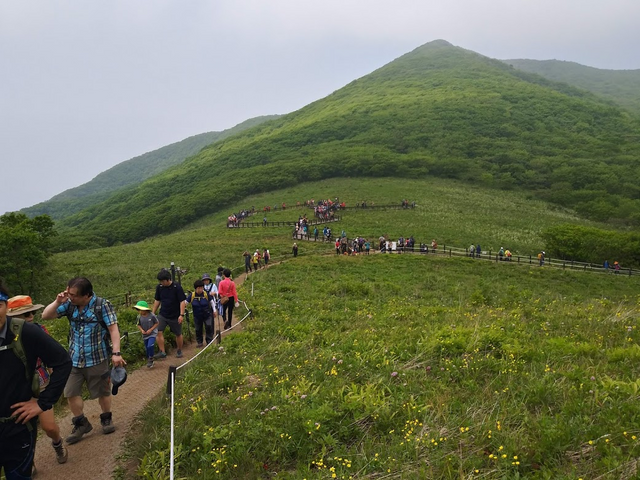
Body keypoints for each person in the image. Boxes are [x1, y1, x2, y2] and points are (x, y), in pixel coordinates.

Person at [41, 277, 124, 444]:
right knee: (71, 392)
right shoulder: (69, 305)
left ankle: (106, 418)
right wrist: (58, 302)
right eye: (68, 293)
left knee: (103, 391)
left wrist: (116, 352)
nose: (70, 297)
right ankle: (81, 423)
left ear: (86, 295)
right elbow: (45, 316)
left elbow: (113, 329)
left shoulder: (102, 305)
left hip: (97, 357)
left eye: (73, 295)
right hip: (73, 359)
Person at [1, 285, 72, 479]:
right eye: (24, 314)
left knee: (48, 427)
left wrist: (44, 400)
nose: (29, 317)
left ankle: (57, 443)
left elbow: (59, 360)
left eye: (31, 313)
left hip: (40, 383)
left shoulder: (33, 331)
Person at [151, 269, 186, 359]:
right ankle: (162, 351)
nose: (161, 283)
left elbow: (182, 301)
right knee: (158, 331)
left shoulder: (177, 287)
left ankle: (179, 350)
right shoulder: (159, 287)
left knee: (178, 333)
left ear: (168, 279)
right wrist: (153, 313)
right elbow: (157, 300)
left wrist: (181, 315)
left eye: (162, 281)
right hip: (163, 314)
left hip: (175, 315)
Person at [186, 280, 216, 347]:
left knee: (208, 326)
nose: (200, 289)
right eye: (199, 288)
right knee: (198, 329)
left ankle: (209, 341)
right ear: (195, 288)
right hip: (197, 316)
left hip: (207, 314)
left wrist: (214, 310)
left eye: (202, 288)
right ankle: (199, 342)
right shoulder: (192, 295)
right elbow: (186, 302)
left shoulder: (206, 294)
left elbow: (212, 302)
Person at [134, 301, 159, 368]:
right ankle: (150, 358)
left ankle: (151, 358)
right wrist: (142, 330)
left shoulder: (152, 315)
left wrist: (151, 329)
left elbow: (157, 323)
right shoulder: (139, 317)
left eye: (140, 310)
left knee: (150, 346)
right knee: (147, 347)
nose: (139, 312)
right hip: (145, 335)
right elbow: (138, 325)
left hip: (152, 334)